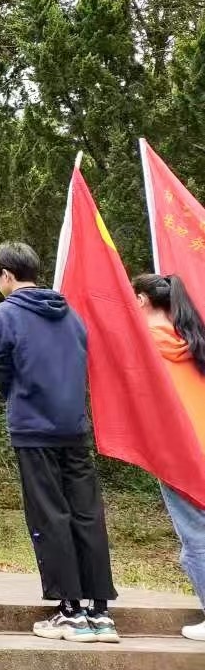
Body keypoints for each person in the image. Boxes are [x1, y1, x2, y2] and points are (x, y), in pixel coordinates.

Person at [0, 241, 118, 643]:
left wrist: (19, 399)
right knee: (86, 513)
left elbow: (1, 371)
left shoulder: (3, 315)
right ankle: (100, 612)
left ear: (6, 275)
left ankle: (70, 612)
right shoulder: (71, 314)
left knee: (50, 516)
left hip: (33, 428)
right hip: (75, 427)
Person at [132, 273, 205, 641]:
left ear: (143, 300)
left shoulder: (146, 346)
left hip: (182, 457)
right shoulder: (193, 341)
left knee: (196, 540)